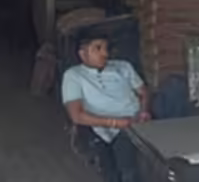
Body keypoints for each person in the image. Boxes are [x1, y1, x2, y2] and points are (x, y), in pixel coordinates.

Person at [62, 30, 150, 182]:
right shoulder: (74, 75)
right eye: (98, 48)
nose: (105, 54)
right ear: (83, 54)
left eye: (106, 48)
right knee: (127, 159)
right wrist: (116, 123)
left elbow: (144, 93)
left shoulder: (123, 66)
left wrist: (144, 111)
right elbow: (76, 116)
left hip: (139, 120)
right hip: (110, 127)